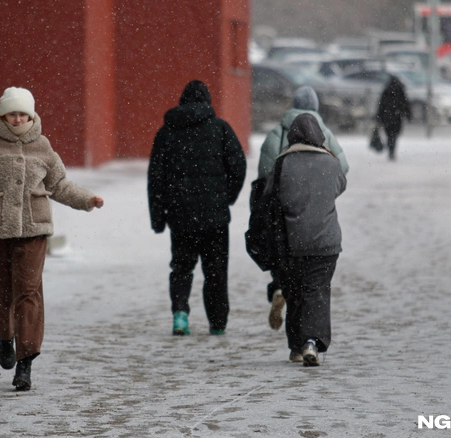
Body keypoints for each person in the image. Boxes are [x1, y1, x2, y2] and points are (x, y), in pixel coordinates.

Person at [0, 87, 104, 391]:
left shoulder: (42, 146)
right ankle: (6, 337)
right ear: (2, 114)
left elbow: (59, 184)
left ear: (31, 115)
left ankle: (25, 364)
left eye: (23, 113)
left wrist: (87, 199)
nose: (18, 118)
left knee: (29, 291)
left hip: (33, 229)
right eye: (13, 113)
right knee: (3, 291)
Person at [148, 80, 247, 336]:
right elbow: (239, 165)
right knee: (215, 270)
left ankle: (180, 315)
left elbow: (155, 179)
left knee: (181, 267)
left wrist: (158, 217)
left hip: (180, 217)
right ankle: (217, 322)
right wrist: (227, 197)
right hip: (215, 218)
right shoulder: (221, 129)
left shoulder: (166, 133)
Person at [255, 86, 348, 332]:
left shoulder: (277, 132)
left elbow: (265, 174)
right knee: (314, 280)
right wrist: (322, 192)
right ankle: (311, 338)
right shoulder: (324, 133)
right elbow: (343, 167)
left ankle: (279, 288)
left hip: (283, 215)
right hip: (317, 219)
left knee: (285, 260)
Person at [266, 113, 346, 366]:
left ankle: (296, 346)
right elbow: (340, 186)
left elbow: (270, 197)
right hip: (326, 241)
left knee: (295, 292)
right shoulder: (331, 163)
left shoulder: (282, 163)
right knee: (317, 292)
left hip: (292, 241)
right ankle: (313, 340)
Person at [375, 75, 411, 161]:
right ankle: (392, 149)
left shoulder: (386, 91)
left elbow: (381, 105)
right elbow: (405, 104)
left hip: (387, 117)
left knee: (389, 135)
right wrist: (407, 115)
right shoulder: (400, 91)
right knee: (394, 135)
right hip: (397, 117)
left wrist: (379, 117)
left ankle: (390, 148)